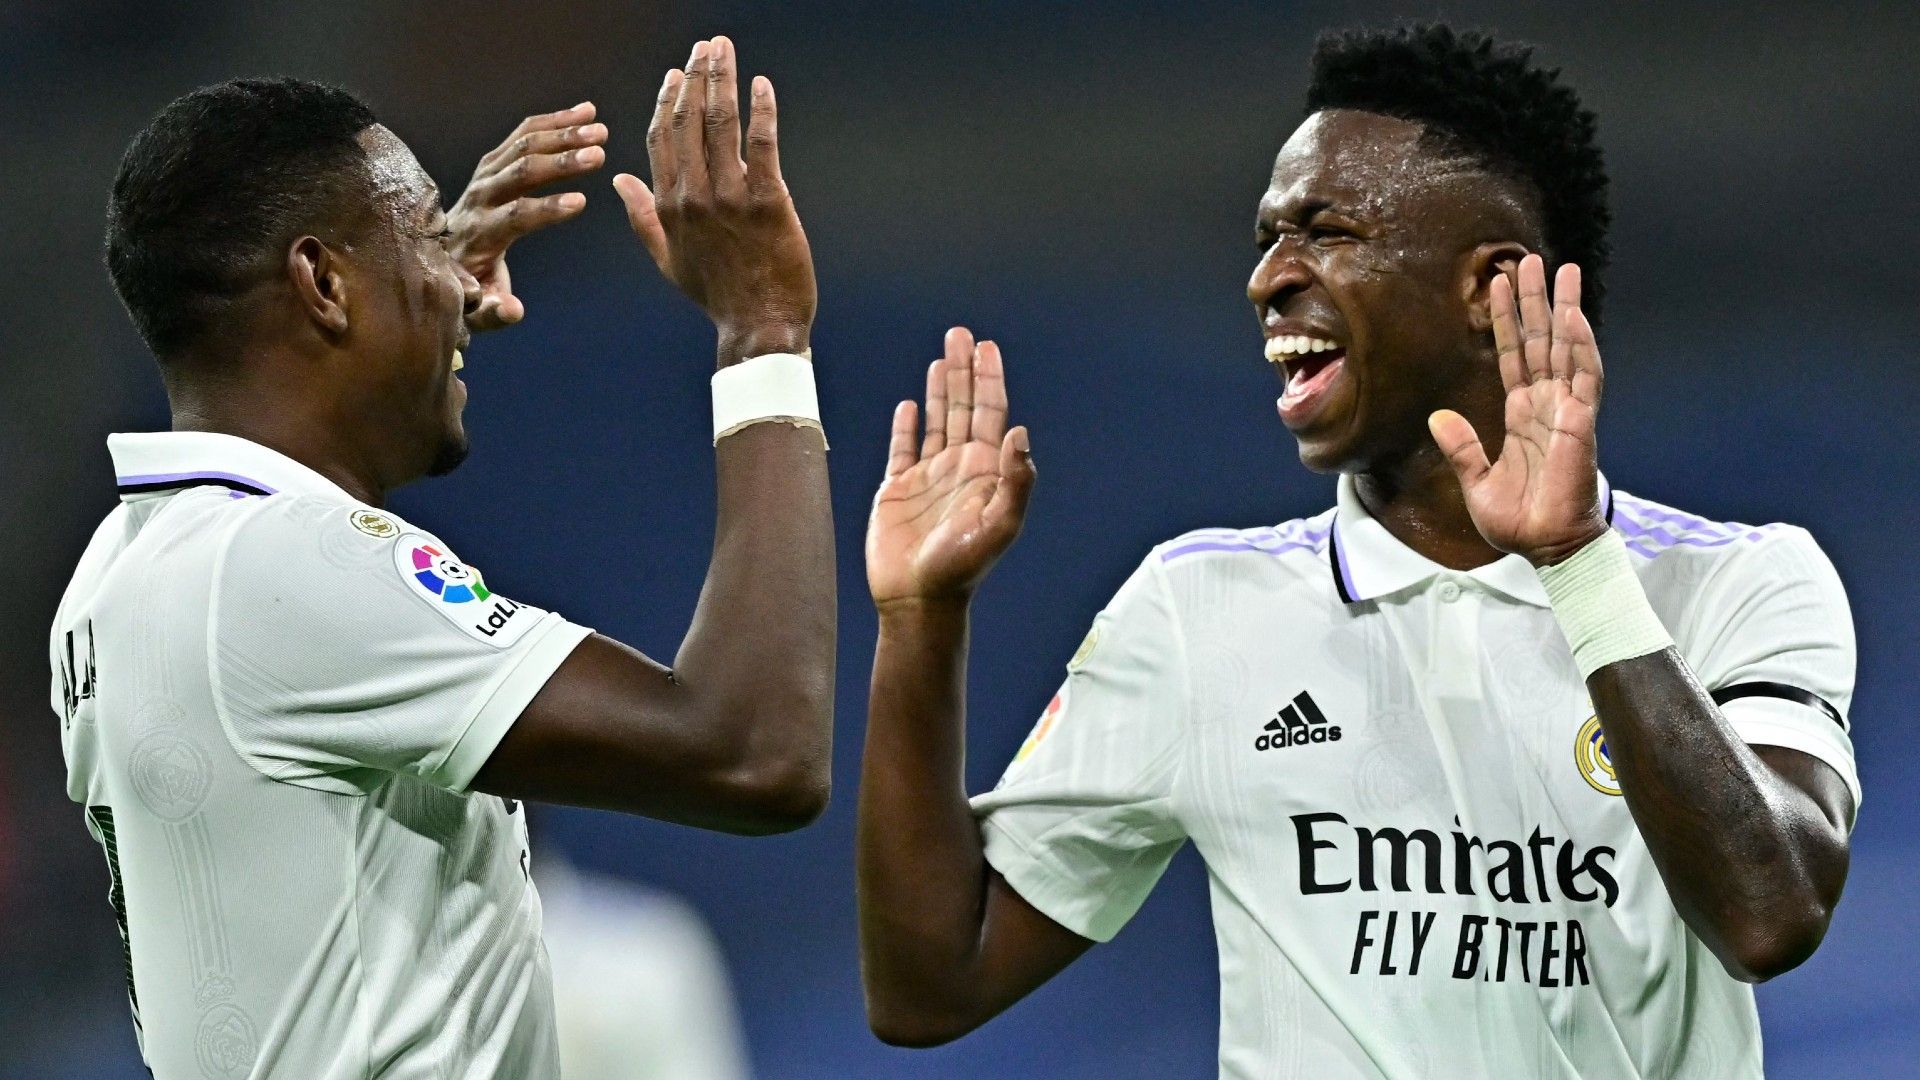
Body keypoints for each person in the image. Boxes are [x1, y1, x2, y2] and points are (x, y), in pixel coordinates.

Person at [856, 23, 1857, 1078]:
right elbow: (929, 987)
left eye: (1325, 232)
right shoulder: (1198, 610)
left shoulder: (1737, 581)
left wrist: (1577, 565)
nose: (1268, 279)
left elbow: (1770, 916)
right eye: (1266, 239)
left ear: (1491, 286)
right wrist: (920, 622)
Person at [52, 36, 834, 1077]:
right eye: (428, 236)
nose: (461, 286)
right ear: (321, 283)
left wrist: (404, 298)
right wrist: (762, 333)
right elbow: (755, 752)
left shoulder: (118, 568)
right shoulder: (284, 565)